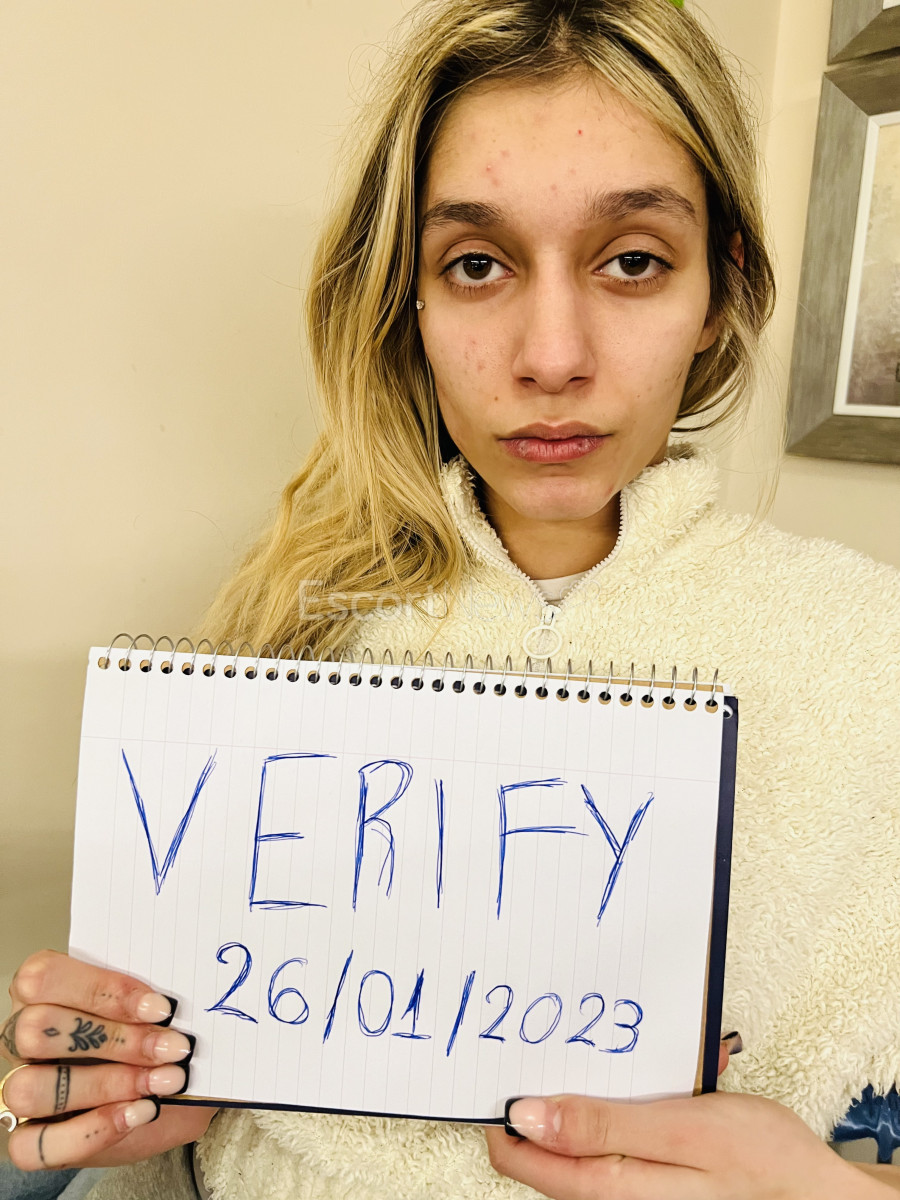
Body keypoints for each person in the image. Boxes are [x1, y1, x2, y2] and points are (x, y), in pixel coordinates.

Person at [2, 0, 899, 1196]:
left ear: (720, 292)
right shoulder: (287, 624)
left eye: (633, 259)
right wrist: (118, 1085)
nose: (551, 356)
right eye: (476, 265)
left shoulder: (872, 657)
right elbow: (159, 1104)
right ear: (407, 300)